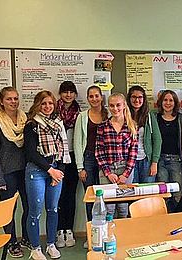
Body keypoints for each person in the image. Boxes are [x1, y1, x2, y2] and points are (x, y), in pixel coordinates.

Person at [24, 90, 70, 259]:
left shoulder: (58, 123)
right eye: (43, 103)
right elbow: (30, 153)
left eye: (50, 103)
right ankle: (35, 248)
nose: (47, 106)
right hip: (37, 172)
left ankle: (51, 244)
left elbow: (64, 150)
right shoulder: (31, 125)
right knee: (35, 211)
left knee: (53, 209)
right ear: (38, 105)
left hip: (56, 170)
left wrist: (59, 173)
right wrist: (50, 171)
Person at [0, 87, 30, 258]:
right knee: (8, 211)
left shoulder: (24, 120)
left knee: (29, 206)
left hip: (25, 171)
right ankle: (12, 242)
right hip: (6, 174)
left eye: (16, 98)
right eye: (9, 99)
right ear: (2, 101)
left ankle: (26, 237)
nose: (13, 102)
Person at [95, 93, 138, 218]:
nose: (115, 109)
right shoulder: (103, 126)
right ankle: (108, 235)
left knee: (123, 207)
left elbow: (133, 153)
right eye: (112, 106)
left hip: (125, 169)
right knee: (108, 207)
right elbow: (99, 152)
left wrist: (125, 174)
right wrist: (108, 173)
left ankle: (122, 236)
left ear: (124, 105)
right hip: (107, 169)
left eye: (118, 105)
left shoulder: (132, 126)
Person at [74, 86, 108, 223]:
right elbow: (77, 142)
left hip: (105, 160)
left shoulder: (109, 114)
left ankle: (104, 231)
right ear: (88, 99)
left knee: (105, 196)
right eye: (91, 96)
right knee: (90, 196)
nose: (94, 99)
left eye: (96, 96)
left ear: (101, 97)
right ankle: (91, 232)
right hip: (88, 158)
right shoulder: (82, 117)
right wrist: (80, 167)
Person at [55, 81, 81, 248]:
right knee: (57, 196)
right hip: (57, 159)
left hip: (73, 157)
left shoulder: (79, 113)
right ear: (60, 94)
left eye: (71, 92)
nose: (68, 95)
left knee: (70, 195)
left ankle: (69, 230)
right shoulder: (53, 111)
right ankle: (59, 231)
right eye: (65, 92)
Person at [127, 85, 162, 183]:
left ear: (144, 99)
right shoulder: (124, 116)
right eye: (134, 97)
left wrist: (154, 162)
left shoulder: (149, 116)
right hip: (129, 161)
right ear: (129, 99)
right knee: (132, 193)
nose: (137, 100)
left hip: (146, 160)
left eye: (140, 97)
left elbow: (157, 140)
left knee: (148, 191)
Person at [156, 90, 182, 203]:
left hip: (176, 161)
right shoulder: (155, 118)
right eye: (165, 100)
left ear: (175, 102)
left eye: (171, 100)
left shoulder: (181, 118)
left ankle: (178, 218)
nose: (168, 103)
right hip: (160, 161)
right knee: (163, 194)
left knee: (178, 193)